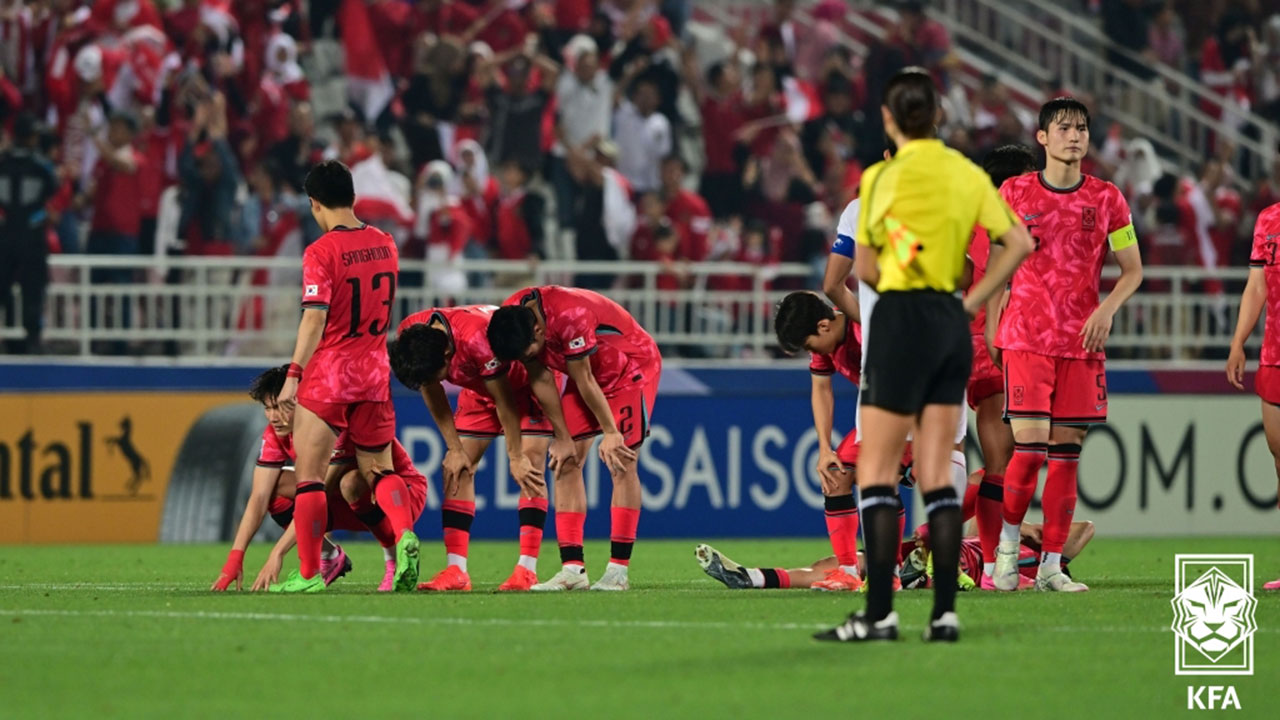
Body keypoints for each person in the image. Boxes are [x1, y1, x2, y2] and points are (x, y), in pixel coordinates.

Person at [815, 67, 1032, 644]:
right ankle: (944, 614)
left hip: (897, 323)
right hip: (947, 322)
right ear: (937, 117)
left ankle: (881, 614)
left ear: (890, 119)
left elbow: (863, 268)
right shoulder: (964, 175)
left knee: (882, 475)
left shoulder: (881, 179)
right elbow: (1018, 243)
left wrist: (904, 267)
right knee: (940, 475)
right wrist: (975, 300)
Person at [990, 98, 1143, 594]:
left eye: (1081, 128)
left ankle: (1051, 565)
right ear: (1042, 138)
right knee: (1029, 451)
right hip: (1027, 336)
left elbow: (1133, 270)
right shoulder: (1013, 192)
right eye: (1063, 128)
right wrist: (995, 326)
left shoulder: (1107, 199)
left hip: (1081, 341)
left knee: (1066, 454)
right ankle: (1007, 552)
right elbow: (997, 265)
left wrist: (1107, 309)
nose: (1073, 136)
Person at [271, 160, 413, 593]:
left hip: (333, 372)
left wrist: (294, 375)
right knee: (378, 469)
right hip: (374, 371)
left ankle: (311, 574)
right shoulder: (386, 243)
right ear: (353, 197)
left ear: (315, 204)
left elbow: (314, 319)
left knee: (311, 476)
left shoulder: (320, 252)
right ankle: (405, 535)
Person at [390, 305, 577, 592]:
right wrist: (454, 447)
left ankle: (527, 569)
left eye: (438, 375)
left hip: (525, 383)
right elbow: (432, 388)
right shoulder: (414, 337)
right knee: (456, 468)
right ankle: (457, 571)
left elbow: (505, 404)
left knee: (529, 462)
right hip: (480, 387)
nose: (436, 381)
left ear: (447, 356)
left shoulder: (475, 339)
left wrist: (514, 457)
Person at [487, 286, 661, 591]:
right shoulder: (515, 317)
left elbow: (585, 379)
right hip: (588, 373)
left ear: (539, 330)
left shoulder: (570, 315)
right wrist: (563, 437)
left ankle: (618, 571)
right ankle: (573, 570)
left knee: (620, 460)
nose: (529, 359)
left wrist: (610, 432)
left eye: (529, 353)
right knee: (564, 460)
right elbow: (541, 377)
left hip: (629, 368)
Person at [210, 366, 425, 593]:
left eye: (282, 407)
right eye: (268, 408)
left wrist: (278, 552)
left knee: (349, 482)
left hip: (399, 500)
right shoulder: (275, 433)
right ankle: (329, 556)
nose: (274, 417)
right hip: (348, 503)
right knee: (275, 489)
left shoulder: (332, 426)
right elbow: (259, 497)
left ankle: (394, 560)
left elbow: (317, 493)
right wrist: (235, 557)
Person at [965, 144, 1039, 588]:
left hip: (970, 343)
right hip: (988, 344)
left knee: (1001, 458)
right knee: (1004, 459)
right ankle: (994, 566)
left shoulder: (965, 220)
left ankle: (991, 560)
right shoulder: (1002, 224)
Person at [695, 520, 1095, 591]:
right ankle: (753, 576)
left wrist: (1028, 529)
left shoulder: (1031, 558)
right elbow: (974, 524)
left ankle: (916, 575)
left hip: (960, 569)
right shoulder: (993, 539)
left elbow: (1086, 530)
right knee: (843, 563)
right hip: (934, 548)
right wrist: (1011, 524)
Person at [774, 291, 864, 591]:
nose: (812, 352)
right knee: (836, 476)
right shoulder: (827, 344)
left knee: (880, 478)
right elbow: (822, 390)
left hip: (918, 407)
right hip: (878, 412)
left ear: (824, 326)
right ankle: (849, 571)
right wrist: (825, 448)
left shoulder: (864, 327)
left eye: (809, 345)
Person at [1226, 201, 1280, 591]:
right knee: (1279, 459)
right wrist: (1238, 342)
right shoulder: (1268, 219)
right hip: (1275, 355)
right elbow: (1257, 285)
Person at [0, 112, 58, 354]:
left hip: (5, 234)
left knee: (4, 287)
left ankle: (12, 339)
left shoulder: (2, 161)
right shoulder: (41, 164)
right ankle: (32, 339)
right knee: (33, 288)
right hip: (31, 236)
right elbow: (53, 189)